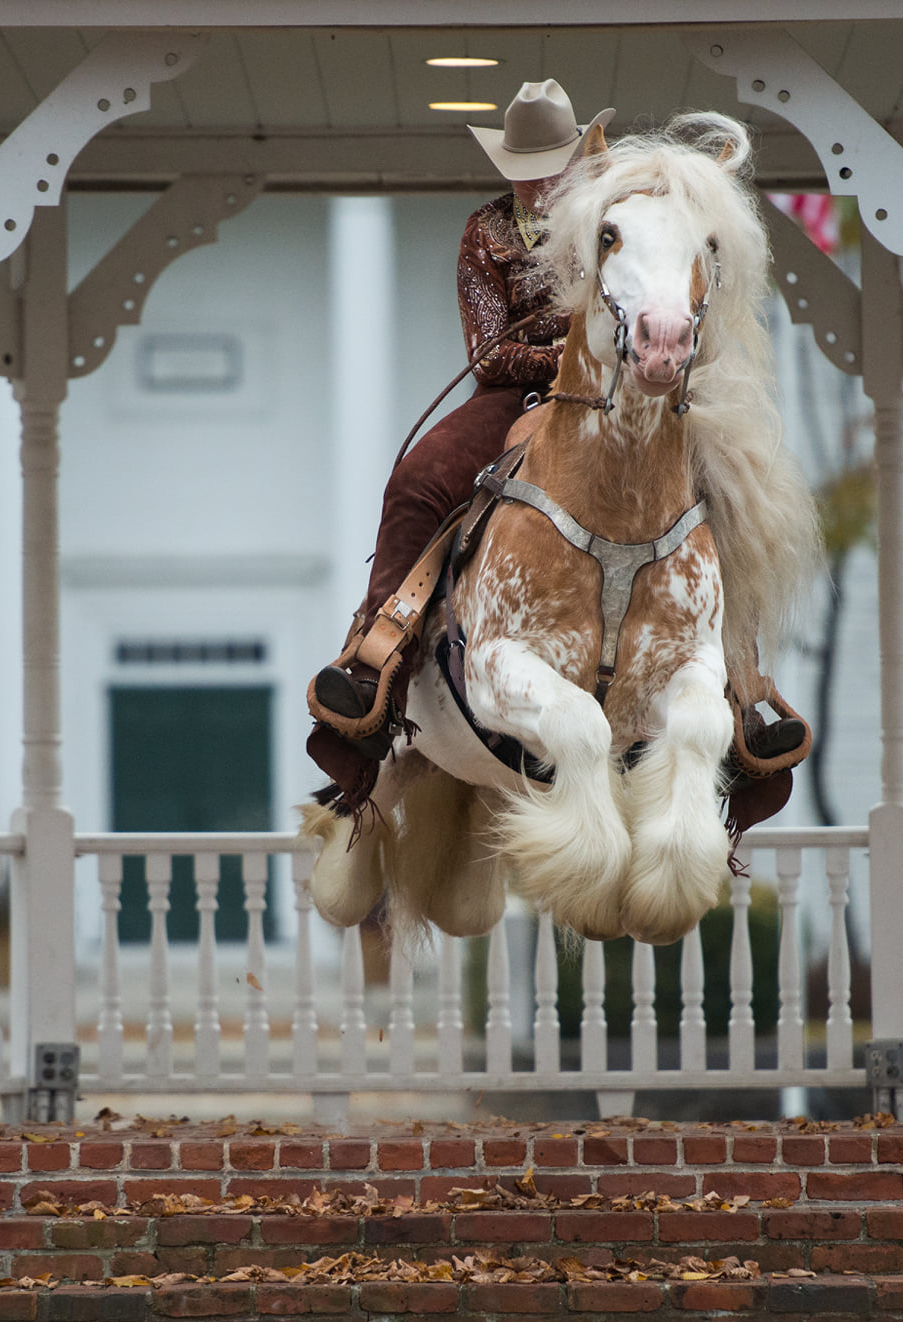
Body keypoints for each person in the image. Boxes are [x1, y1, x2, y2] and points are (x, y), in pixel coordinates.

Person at [308, 79, 806, 814]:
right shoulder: (485, 232)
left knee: (727, 486)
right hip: (517, 396)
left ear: (577, 159)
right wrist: (576, 360)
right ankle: (379, 652)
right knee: (420, 478)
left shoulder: (617, 221)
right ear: (507, 167)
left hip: (631, 388)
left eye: (552, 160)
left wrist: (622, 360)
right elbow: (488, 354)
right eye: (526, 163)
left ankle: (742, 688)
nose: (540, 177)